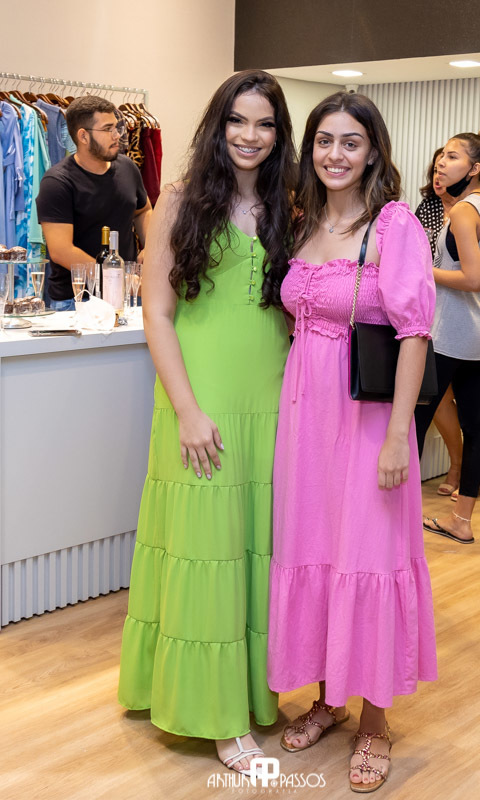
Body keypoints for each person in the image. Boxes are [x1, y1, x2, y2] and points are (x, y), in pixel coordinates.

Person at [118, 70, 296, 776]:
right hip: (201, 400)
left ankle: (248, 694)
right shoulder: (180, 198)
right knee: (204, 551)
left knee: (253, 549)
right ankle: (217, 715)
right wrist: (188, 410)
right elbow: (157, 314)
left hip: (270, 400)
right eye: (238, 121)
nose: (250, 136)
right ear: (217, 126)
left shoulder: (290, 206)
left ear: (279, 134)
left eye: (265, 124)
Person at [267, 92, 437, 793]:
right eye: (324, 141)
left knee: (369, 557)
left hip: (367, 422)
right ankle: (328, 697)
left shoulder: (394, 225)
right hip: (305, 421)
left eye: (350, 142)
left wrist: (398, 436)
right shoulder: (301, 222)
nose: (334, 154)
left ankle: (374, 721)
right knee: (316, 550)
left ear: (372, 152)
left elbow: (414, 332)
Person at [415, 130, 480, 543]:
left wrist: (421, 269)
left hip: (449, 334)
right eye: (442, 156)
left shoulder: (464, 211)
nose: (441, 162)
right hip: (479, 335)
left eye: (452, 157)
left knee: (414, 421)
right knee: (473, 426)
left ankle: (399, 521)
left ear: (474, 168)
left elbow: (473, 279)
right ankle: (461, 521)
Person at [36, 95, 151, 310]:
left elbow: (143, 210)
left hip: (128, 297)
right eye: (108, 129)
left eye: (116, 127)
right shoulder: (57, 182)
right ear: (83, 136)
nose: (117, 135)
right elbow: (61, 250)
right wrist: (116, 279)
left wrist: (150, 247)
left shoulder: (127, 167)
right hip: (77, 300)